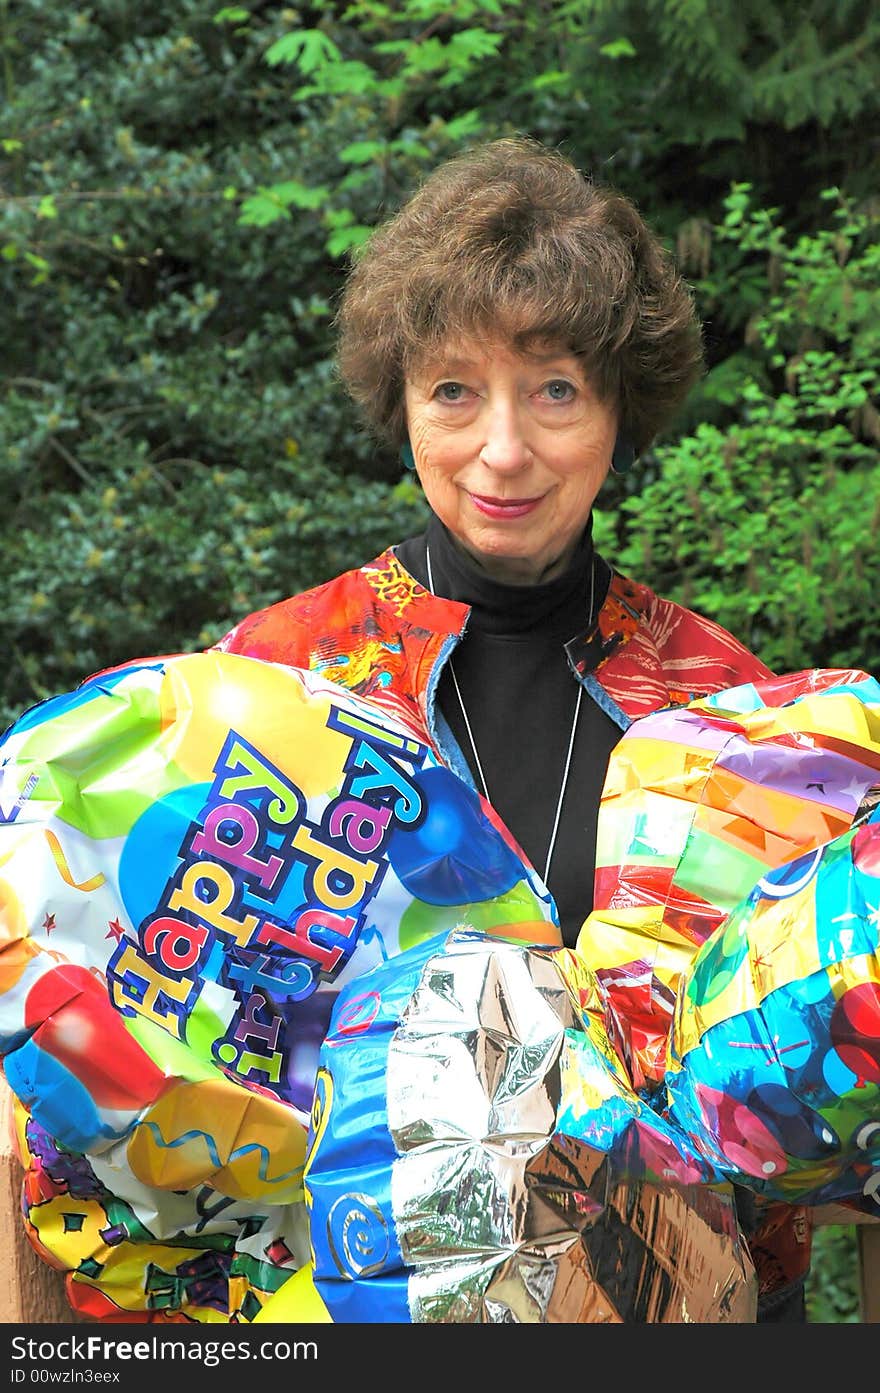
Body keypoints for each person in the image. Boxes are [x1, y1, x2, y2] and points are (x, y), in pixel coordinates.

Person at [213, 135, 809, 1321]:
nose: (502, 450)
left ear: (619, 415)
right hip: (342, 1297)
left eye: (553, 389)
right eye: (453, 390)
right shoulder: (278, 676)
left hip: (679, 1299)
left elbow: (801, 1067)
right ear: (401, 408)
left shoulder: (721, 708)